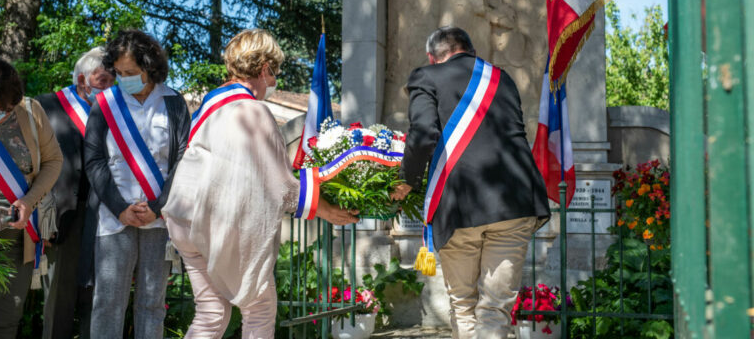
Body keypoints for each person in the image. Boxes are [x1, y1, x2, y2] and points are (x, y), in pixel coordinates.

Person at [162, 29, 358, 339]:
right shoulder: (251, 111)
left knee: (212, 311)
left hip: (182, 217)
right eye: (275, 73)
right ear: (264, 68)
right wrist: (327, 210)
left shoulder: (210, 106)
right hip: (214, 221)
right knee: (259, 308)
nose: (275, 82)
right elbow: (278, 184)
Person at [390, 26, 550, 339]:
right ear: (472, 51)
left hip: (459, 206)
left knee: (463, 305)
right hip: (515, 203)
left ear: (432, 57)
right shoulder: (500, 78)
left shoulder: (426, 76)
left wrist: (407, 181)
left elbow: (422, 136)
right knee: (496, 308)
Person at [81, 30, 190, 339]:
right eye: (119, 72)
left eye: (131, 72)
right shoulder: (105, 103)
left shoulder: (173, 102)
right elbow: (95, 159)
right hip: (115, 219)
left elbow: (183, 160)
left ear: (150, 66)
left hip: (159, 219)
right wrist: (120, 208)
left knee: (152, 304)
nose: (124, 78)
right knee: (108, 303)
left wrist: (157, 208)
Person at [36, 47, 115, 339]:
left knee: (98, 297)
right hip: (63, 217)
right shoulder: (45, 107)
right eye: (103, 80)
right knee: (59, 298)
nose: (109, 87)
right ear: (83, 80)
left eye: (113, 80)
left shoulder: (116, 112)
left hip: (106, 216)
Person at [0, 59, 62, 339]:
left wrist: (29, 201)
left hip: (17, 238)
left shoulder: (31, 112)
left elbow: (53, 160)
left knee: (7, 320)